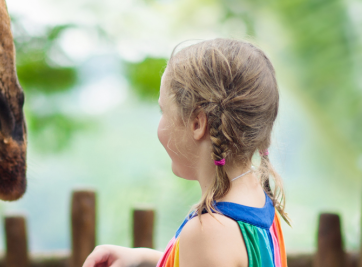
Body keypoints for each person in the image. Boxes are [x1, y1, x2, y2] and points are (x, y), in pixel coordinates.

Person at [83, 39, 289, 267]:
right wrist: (144, 258)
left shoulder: (208, 233)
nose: (160, 122)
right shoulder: (257, 196)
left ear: (197, 124)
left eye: (163, 110)